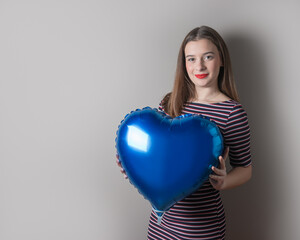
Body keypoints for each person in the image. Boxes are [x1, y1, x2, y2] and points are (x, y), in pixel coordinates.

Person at [146, 26, 252, 239]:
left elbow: (245, 169)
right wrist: (135, 168)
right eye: (191, 59)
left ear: (221, 60)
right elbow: (157, 156)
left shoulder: (232, 112)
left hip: (201, 229)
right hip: (160, 224)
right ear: (184, 64)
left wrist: (224, 181)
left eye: (208, 57)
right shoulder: (169, 103)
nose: (199, 66)